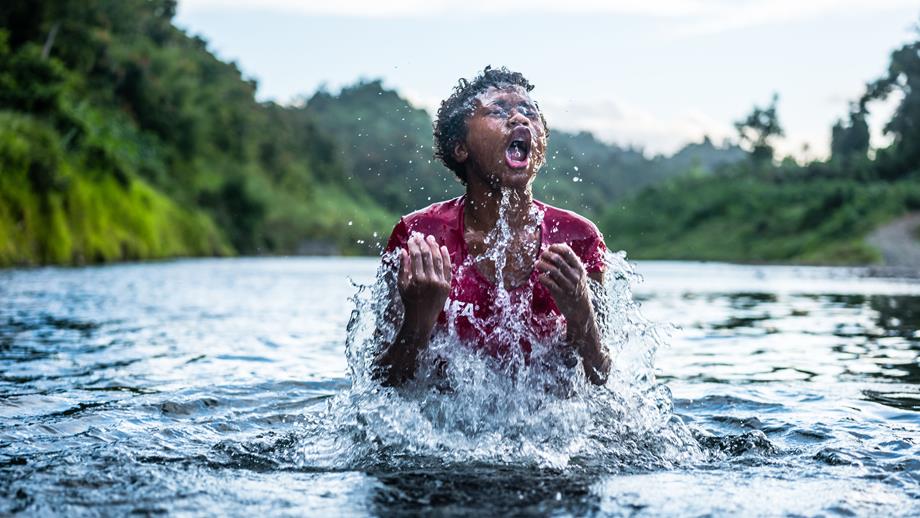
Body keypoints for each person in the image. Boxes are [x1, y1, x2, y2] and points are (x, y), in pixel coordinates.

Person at [375, 66, 611, 387]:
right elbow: (380, 383)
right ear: (461, 147)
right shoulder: (420, 237)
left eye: (529, 112)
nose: (519, 119)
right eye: (498, 111)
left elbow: (601, 376)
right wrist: (418, 322)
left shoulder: (578, 239)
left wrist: (582, 314)